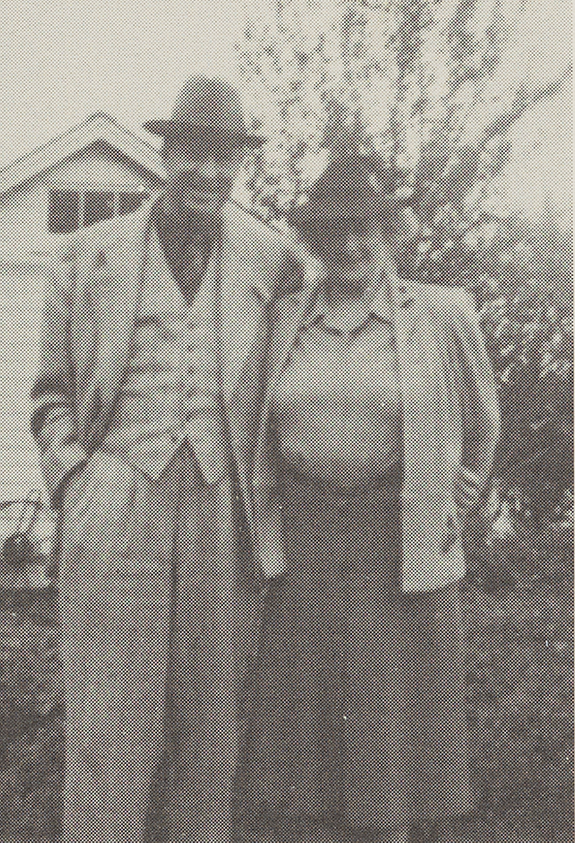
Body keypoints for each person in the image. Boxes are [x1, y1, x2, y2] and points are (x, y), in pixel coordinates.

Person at [30, 76, 295, 843]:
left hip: (223, 507)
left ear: (239, 164)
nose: (209, 173)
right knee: (108, 729)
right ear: (166, 152)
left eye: (225, 157)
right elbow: (49, 396)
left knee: (210, 737)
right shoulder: (88, 256)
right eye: (194, 154)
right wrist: (77, 480)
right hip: (116, 498)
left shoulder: (273, 259)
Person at [241, 152, 501, 843]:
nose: (351, 245)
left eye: (365, 228)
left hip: (401, 549)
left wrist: (459, 496)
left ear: (389, 232)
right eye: (335, 231)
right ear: (317, 242)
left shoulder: (442, 313)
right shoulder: (285, 319)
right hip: (306, 545)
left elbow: (483, 420)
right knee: (309, 767)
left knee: (389, 764)